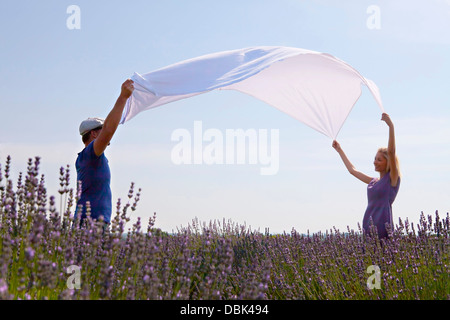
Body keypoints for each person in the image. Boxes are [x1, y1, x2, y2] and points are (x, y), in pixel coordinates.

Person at [74, 79, 134, 227]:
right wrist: (123, 97)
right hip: (90, 223)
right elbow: (109, 129)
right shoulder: (90, 155)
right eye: (100, 132)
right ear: (94, 134)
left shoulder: (93, 157)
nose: (107, 137)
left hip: (95, 222)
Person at [332, 113, 400, 240]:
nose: (375, 162)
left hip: (383, 230)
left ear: (387, 162)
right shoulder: (373, 181)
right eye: (375, 159)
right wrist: (340, 150)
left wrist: (390, 126)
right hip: (368, 227)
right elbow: (352, 170)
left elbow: (391, 152)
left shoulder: (392, 179)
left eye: (379, 160)